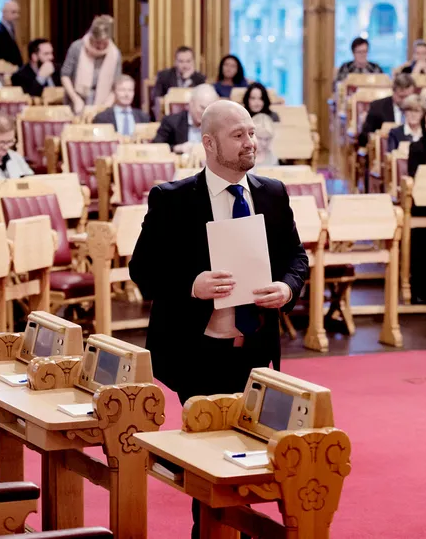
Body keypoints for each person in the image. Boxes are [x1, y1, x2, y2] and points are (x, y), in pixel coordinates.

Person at [129, 100, 307, 538]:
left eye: (251, 133)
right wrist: (193, 285)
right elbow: (142, 270)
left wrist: (286, 289)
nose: (251, 142)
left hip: (257, 351)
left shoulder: (271, 192)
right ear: (209, 143)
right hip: (199, 351)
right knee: (212, 467)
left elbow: (296, 259)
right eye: (238, 135)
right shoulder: (171, 199)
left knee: (256, 460)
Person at [61, 15, 122, 114]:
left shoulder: (115, 54)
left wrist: (105, 107)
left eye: (104, 43)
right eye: (97, 42)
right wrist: (75, 98)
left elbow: (116, 84)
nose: (101, 46)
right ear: (91, 36)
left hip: (103, 102)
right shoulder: (77, 47)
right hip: (77, 100)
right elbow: (65, 75)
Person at [153, 84, 219, 154]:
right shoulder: (171, 122)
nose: (205, 113)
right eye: (202, 108)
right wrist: (177, 148)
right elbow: (156, 146)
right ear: (191, 103)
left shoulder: (218, 125)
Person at [358, 73, 415, 147]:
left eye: (408, 97)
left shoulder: (419, 108)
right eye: (401, 97)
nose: (405, 101)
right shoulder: (377, 107)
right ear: (393, 92)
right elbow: (364, 138)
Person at [0, 0, 23, 66]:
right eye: (13, 12)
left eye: (18, 12)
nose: (17, 16)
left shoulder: (10, 28)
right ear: (4, 12)